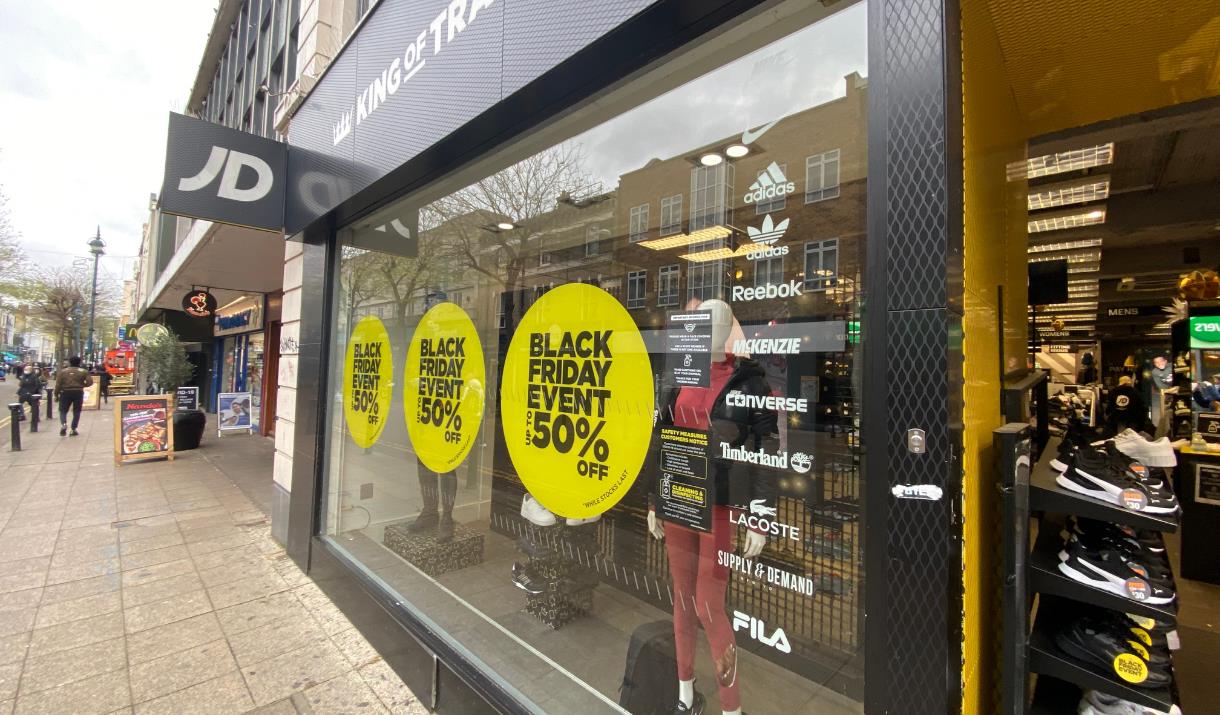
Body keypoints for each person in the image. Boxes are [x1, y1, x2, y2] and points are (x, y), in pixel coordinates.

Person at [55, 356, 93, 436]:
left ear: (69, 362)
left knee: (63, 410)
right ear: (79, 362)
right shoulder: (84, 371)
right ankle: (73, 429)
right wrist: (82, 385)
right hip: (78, 392)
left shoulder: (62, 372)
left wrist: (56, 394)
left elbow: (58, 384)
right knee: (77, 411)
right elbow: (90, 382)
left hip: (65, 392)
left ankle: (63, 424)